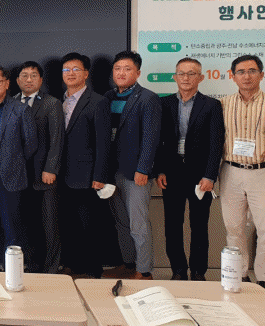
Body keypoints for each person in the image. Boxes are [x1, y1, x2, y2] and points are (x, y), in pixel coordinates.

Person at [154, 57, 224, 281]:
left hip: (199, 175)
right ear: (175, 77)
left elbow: (216, 144)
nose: (186, 78)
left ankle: (198, 271)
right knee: (172, 225)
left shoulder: (211, 105)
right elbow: (158, 141)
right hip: (172, 173)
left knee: (199, 226)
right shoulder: (164, 104)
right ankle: (178, 270)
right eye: (181, 73)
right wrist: (160, 170)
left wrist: (210, 175)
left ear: (200, 78)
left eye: (191, 73)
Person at [101, 51, 161, 280]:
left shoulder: (147, 98)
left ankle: (144, 271)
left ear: (137, 73)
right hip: (112, 171)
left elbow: (151, 138)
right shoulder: (108, 97)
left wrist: (143, 169)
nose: (121, 73)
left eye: (127, 69)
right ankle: (128, 264)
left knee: (138, 224)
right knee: (121, 223)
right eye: (117, 68)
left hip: (136, 172)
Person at [0, 65, 37, 271]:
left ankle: (12, 271)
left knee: (11, 227)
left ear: (7, 83)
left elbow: (31, 144)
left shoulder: (20, 109)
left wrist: (11, 161)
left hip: (9, 177)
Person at [58, 53, 111, 278]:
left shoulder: (98, 101)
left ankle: (91, 269)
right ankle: (72, 265)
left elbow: (103, 142)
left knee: (89, 224)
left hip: (88, 175)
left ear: (86, 74)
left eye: (76, 69)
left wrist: (100, 175)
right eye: (66, 69)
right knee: (68, 223)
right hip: (62, 175)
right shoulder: (59, 101)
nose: (70, 73)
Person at [219, 54, 265, 288]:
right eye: (241, 72)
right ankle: (240, 275)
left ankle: (263, 278)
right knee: (234, 228)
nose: (247, 76)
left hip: (261, 172)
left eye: (252, 71)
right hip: (231, 171)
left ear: (261, 75)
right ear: (233, 76)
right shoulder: (223, 104)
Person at [14, 61, 64, 273]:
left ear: (41, 80)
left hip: (44, 174)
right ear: (17, 80)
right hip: (20, 176)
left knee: (49, 223)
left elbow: (57, 139)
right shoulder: (11, 102)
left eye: (33, 75)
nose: (28, 79)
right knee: (27, 222)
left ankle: (52, 267)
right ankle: (32, 265)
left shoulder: (52, 103)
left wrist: (51, 168)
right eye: (24, 75)